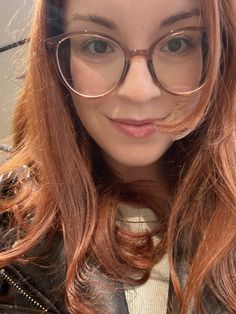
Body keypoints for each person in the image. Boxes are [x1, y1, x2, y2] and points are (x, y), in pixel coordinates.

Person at [0, 0, 235, 313]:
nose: (139, 91)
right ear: (58, 57)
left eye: (177, 43)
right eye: (97, 45)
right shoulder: (8, 229)